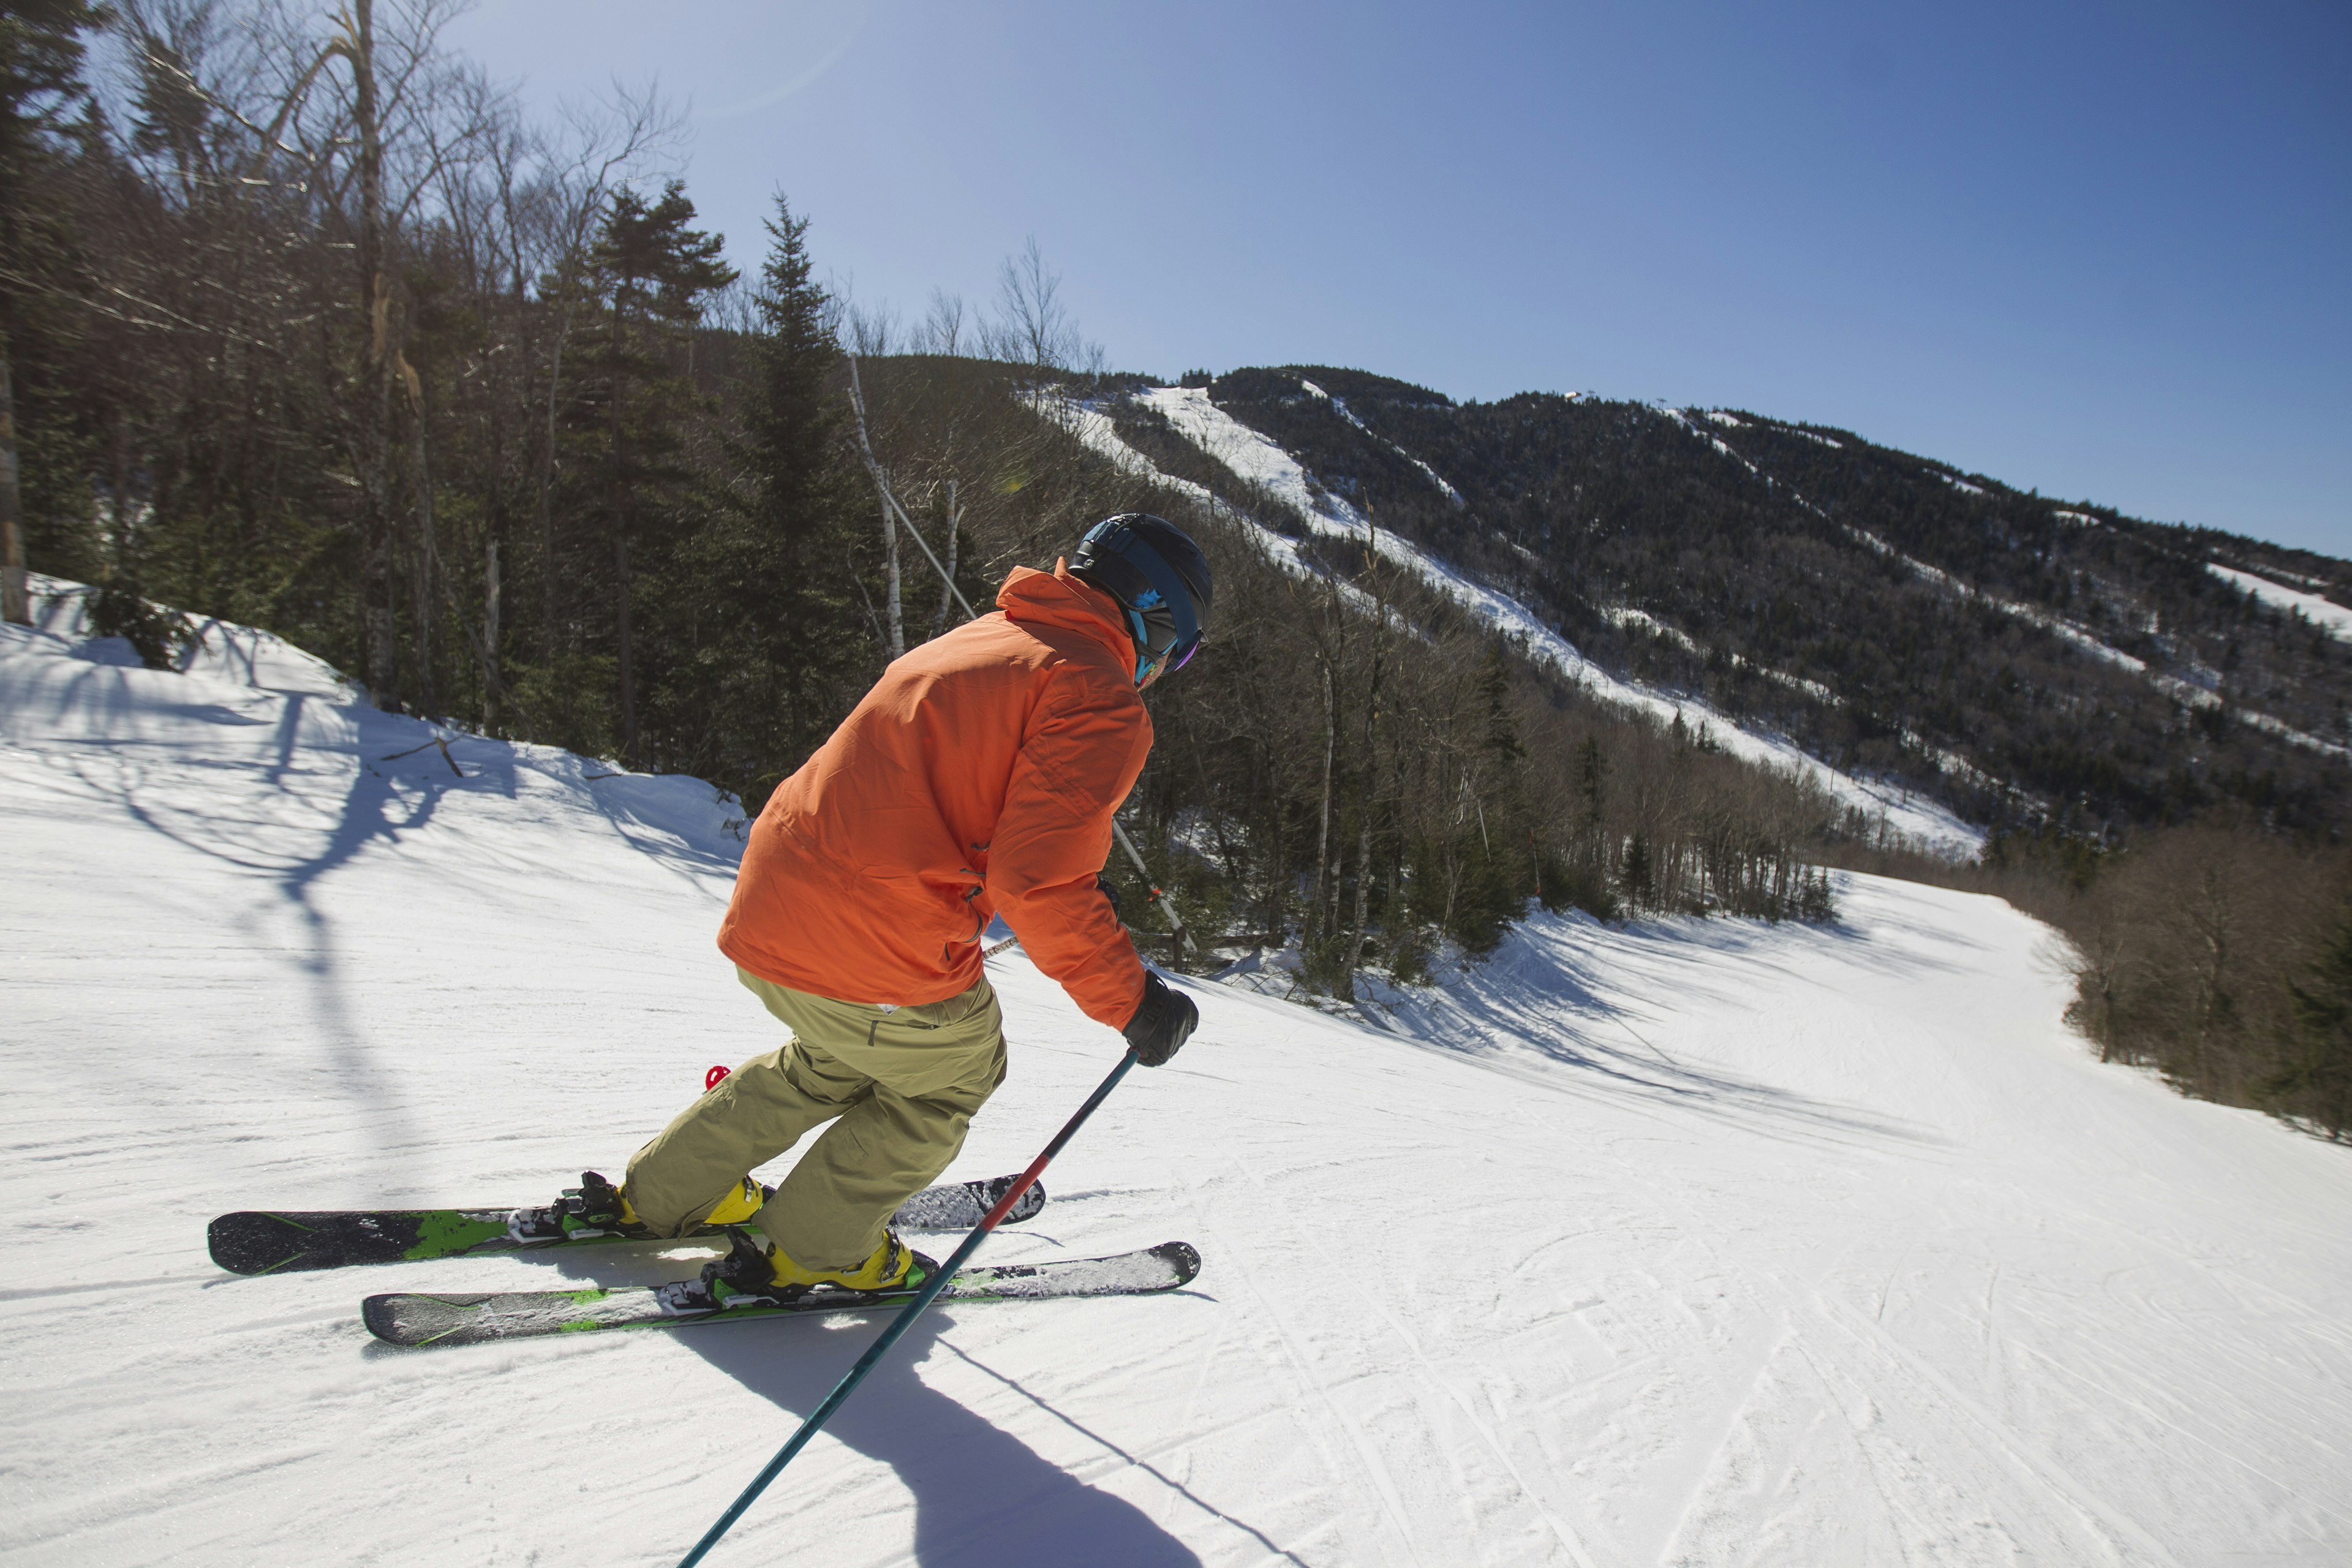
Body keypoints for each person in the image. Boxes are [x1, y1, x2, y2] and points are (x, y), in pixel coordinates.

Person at [564, 513, 1212, 1303]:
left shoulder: (984, 638)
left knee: (829, 1063)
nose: (1160, 670)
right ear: (1156, 619)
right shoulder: (1096, 690)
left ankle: (661, 1195)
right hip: (874, 943)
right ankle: (815, 1249)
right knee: (951, 1076)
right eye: (1175, 652)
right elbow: (1037, 882)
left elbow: (962, 801)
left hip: (774, 910)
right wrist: (1133, 1002)